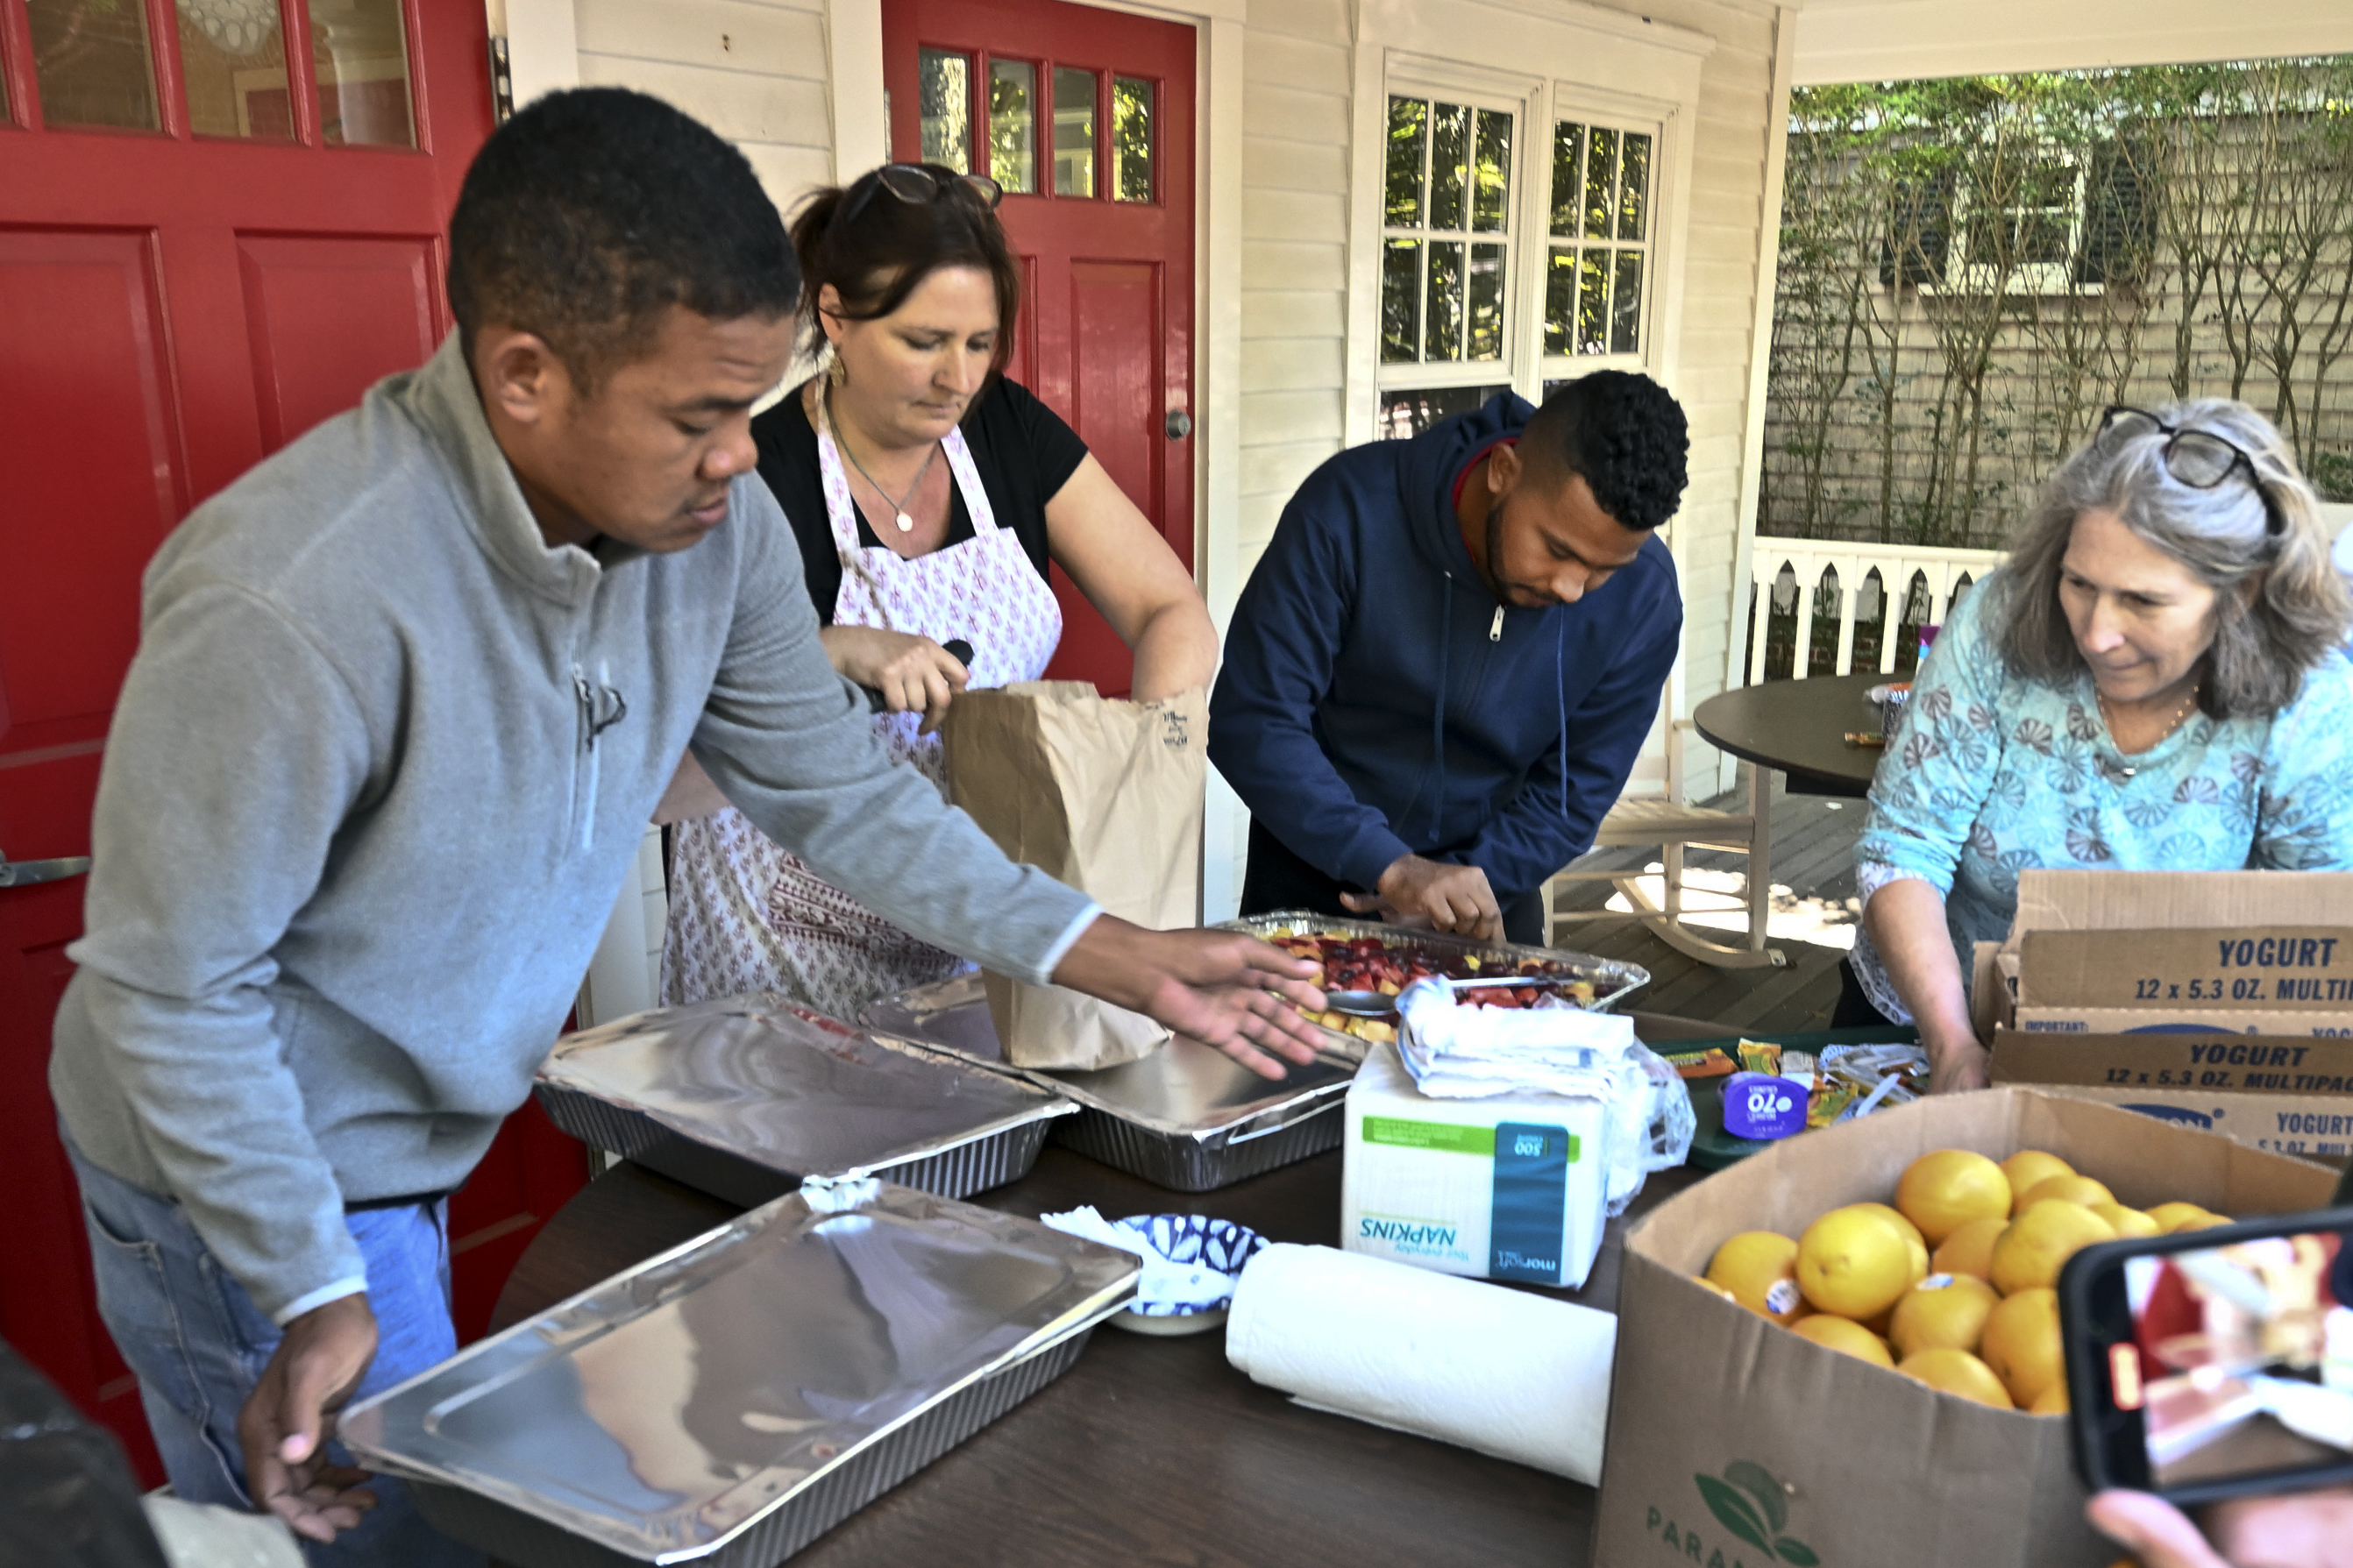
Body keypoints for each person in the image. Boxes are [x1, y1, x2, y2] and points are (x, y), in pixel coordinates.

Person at [46, 90, 1322, 1566]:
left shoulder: (708, 538)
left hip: (406, 1134)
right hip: (243, 1166)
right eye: (700, 416)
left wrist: (1111, 950)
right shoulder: (297, 592)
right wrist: (306, 1274)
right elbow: (173, 992)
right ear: (525, 374)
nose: (741, 459)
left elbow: (829, 788)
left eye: (752, 401)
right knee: (377, 1543)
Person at [654, 161, 1218, 1019]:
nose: (958, 377)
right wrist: (825, 667)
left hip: (970, 931)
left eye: (979, 343)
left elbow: (1167, 608)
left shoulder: (1008, 433)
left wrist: (1143, 759)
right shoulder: (748, 484)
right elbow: (659, 783)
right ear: (835, 315)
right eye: (923, 342)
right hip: (779, 958)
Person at [1849, 401, 2353, 1093]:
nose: (2096, 633)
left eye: (2143, 601)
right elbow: (1905, 843)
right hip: (1931, 1025)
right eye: (2080, 583)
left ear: (2242, 594)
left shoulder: (2311, 703)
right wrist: (1955, 1046)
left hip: (2187, 1060)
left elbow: (2316, 940)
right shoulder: (2002, 620)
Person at [1208, 372, 1688, 947]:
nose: (1571, 587)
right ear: (1503, 472)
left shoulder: (1646, 599)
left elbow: (1571, 795)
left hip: (1486, 897)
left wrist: (1464, 885)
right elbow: (1254, 717)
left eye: (1604, 568)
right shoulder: (1350, 512)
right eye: (1558, 549)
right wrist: (1388, 863)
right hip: (1316, 871)